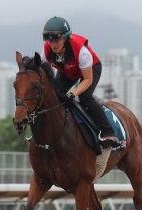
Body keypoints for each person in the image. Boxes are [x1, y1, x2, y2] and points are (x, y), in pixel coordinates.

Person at [40, 16, 121, 149]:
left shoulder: (82, 52)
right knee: (56, 95)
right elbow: (45, 73)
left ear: (66, 38)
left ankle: (108, 132)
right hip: (68, 70)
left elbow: (87, 80)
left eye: (56, 40)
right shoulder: (46, 49)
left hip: (91, 70)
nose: (53, 44)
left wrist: (73, 93)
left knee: (84, 97)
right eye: (50, 41)